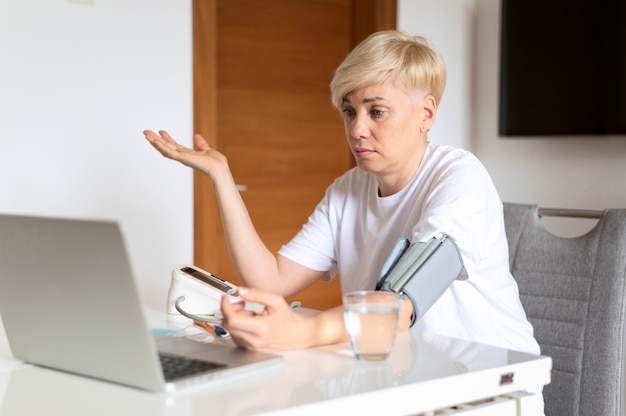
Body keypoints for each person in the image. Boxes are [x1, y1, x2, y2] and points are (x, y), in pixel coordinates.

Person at [144, 30, 540, 357]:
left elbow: (403, 303)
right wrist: (220, 175)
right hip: (404, 375)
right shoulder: (348, 190)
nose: (356, 130)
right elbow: (272, 281)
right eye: (349, 111)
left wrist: (302, 332)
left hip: (487, 387)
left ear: (427, 114)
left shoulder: (459, 178)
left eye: (376, 111)